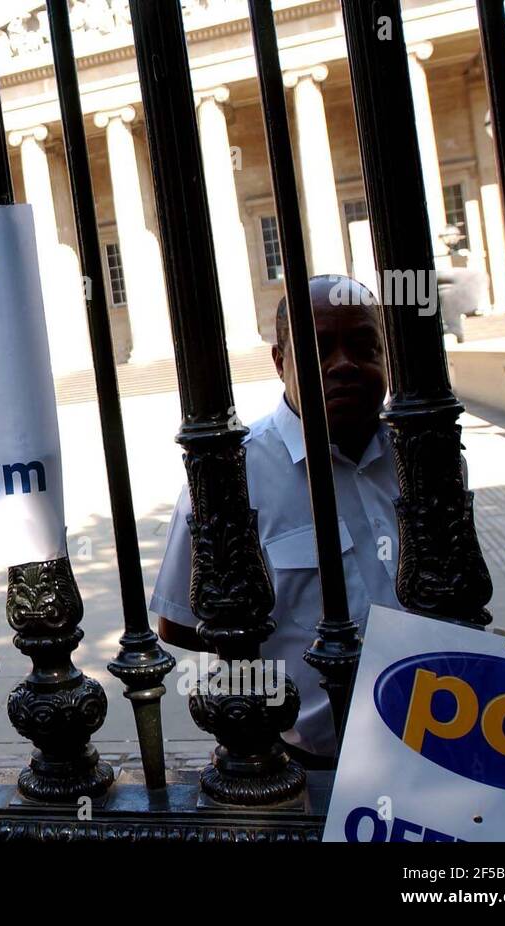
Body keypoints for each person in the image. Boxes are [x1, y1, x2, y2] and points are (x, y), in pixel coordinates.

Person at [149, 275, 402, 768]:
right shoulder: (234, 473)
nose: (344, 365)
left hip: (435, 740)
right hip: (311, 761)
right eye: (319, 348)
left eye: (363, 345)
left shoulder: (423, 457)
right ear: (280, 361)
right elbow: (179, 621)